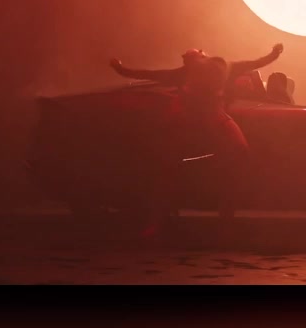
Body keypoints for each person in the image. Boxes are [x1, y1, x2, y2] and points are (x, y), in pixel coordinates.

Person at [109, 43, 283, 237]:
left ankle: (223, 219)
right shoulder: (201, 69)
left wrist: (273, 54)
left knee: (235, 152)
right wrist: (120, 69)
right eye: (188, 59)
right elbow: (146, 74)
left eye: (190, 57)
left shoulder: (217, 67)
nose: (188, 60)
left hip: (204, 120)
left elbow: (255, 63)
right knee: (168, 166)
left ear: (201, 56)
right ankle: (161, 221)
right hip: (193, 121)